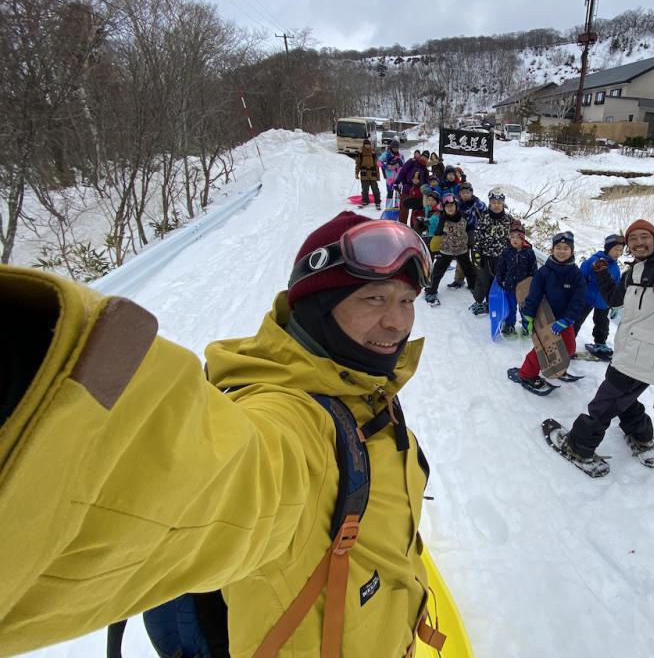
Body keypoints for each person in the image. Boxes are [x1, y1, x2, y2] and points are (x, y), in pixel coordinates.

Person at [0, 213, 447, 657]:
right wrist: (33, 393)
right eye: (373, 298)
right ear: (317, 305)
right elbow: (212, 484)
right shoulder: (296, 419)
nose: (397, 322)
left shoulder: (364, 386)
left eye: (407, 300)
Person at [557, 219, 654, 471]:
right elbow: (613, 299)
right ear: (628, 245)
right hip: (628, 350)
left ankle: (578, 446)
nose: (639, 242)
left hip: (648, 355)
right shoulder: (634, 272)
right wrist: (601, 273)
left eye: (645, 237)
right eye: (633, 239)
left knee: (604, 404)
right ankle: (641, 437)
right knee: (625, 398)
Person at [509, 231, 586, 392]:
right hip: (545, 319)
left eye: (566, 248)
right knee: (542, 350)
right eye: (558, 247)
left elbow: (578, 300)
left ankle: (557, 366)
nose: (562, 251)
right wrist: (528, 316)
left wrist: (568, 319)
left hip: (564, 321)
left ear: (572, 251)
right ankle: (527, 374)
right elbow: (534, 295)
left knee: (569, 348)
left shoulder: (576, 274)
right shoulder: (544, 272)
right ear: (552, 250)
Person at [574, 233, 625, 358]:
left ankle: (600, 343)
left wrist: (615, 305)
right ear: (608, 249)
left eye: (620, 250)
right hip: (587, 298)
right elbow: (581, 278)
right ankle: (567, 342)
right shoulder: (593, 261)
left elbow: (616, 286)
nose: (618, 253)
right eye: (615, 249)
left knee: (602, 323)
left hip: (603, 301)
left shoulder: (616, 268)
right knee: (576, 320)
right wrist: (577, 294)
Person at [423, 194, 478, 307]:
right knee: (438, 270)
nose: (450, 208)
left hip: (462, 248)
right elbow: (437, 233)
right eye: (447, 206)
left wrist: (470, 240)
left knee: (468, 269)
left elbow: (469, 229)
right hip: (446, 249)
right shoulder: (442, 218)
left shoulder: (463, 216)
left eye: (452, 205)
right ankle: (430, 291)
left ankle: (473, 286)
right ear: (444, 208)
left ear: (456, 206)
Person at [468, 189, 513, 316]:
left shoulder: (509, 219)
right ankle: (480, 301)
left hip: (502, 258)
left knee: (498, 282)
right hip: (485, 257)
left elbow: (514, 238)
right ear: (489, 203)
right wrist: (476, 255)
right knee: (484, 280)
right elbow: (477, 238)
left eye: (499, 202)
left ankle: (494, 303)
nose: (497, 205)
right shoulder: (484, 218)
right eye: (494, 202)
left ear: (503, 203)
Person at [494, 219, 537, 335]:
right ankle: (510, 325)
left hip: (524, 288)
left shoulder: (529, 253)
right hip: (510, 286)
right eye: (512, 237)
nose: (515, 240)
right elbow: (500, 268)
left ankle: (526, 327)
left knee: (525, 309)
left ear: (523, 238)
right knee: (511, 308)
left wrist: (532, 283)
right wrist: (500, 280)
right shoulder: (506, 252)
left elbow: (533, 270)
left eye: (518, 237)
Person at [447, 182, 486, 290]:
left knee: (476, 258)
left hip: (475, 234)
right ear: (459, 194)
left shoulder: (479, 204)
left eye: (467, 192)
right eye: (463, 193)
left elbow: (486, 217)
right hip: (461, 234)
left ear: (471, 192)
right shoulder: (457, 205)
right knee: (462, 259)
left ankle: (475, 282)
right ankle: (458, 280)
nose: (465, 195)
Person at [395, 151, 429, 227]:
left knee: (416, 212)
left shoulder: (425, 170)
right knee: (404, 210)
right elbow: (403, 171)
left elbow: (426, 182)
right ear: (420, 156)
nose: (424, 158)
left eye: (426, 158)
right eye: (423, 156)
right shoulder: (412, 162)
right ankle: (402, 226)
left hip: (418, 192)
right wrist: (397, 181)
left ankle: (413, 228)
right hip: (407, 188)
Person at [355, 138, 382, 209]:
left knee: (375, 188)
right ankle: (365, 201)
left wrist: (378, 175)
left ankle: (377, 202)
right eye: (366, 144)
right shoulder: (360, 153)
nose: (367, 146)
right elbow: (358, 164)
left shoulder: (373, 153)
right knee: (365, 189)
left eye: (368, 144)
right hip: (364, 173)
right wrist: (356, 173)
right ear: (364, 145)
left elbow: (376, 165)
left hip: (372, 173)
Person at [378, 139, 404, 209]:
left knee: (398, 193)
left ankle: (397, 207)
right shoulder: (386, 154)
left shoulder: (401, 155)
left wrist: (400, 167)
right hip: (390, 178)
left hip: (398, 178)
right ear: (391, 147)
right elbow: (379, 162)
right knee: (390, 193)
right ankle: (388, 208)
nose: (395, 149)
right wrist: (387, 166)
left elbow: (404, 166)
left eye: (396, 148)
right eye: (394, 147)